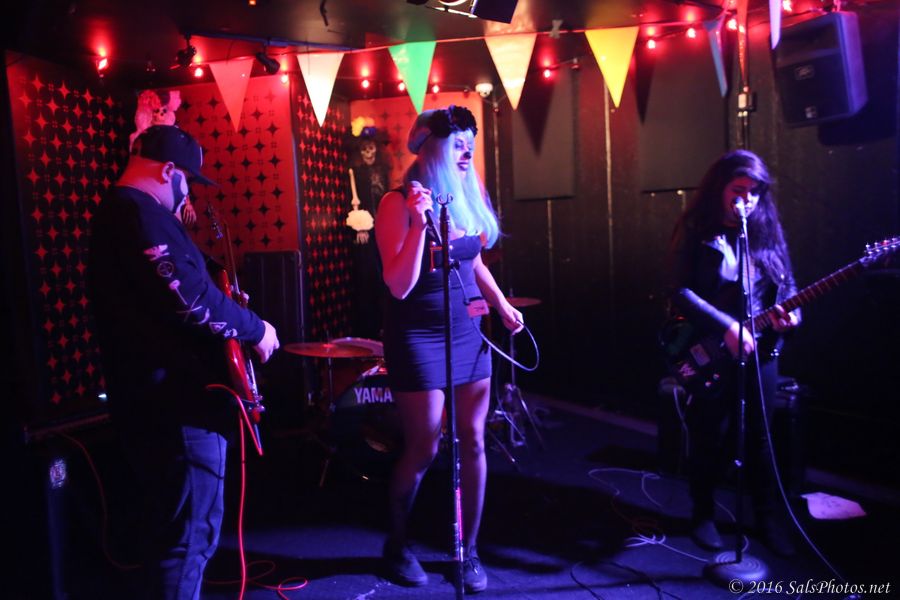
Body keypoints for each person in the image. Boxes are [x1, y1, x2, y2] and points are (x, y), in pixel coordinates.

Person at [87, 124, 279, 599]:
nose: (188, 192)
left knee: (179, 530)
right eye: (187, 181)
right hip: (177, 407)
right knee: (190, 537)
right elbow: (188, 299)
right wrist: (255, 329)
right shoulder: (139, 213)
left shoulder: (126, 214)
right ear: (168, 171)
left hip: (159, 402)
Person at [375, 105, 523, 593]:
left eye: (470, 146)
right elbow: (399, 285)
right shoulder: (397, 203)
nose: (466, 154)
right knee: (425, 445)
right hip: (417, 334)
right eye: (458, 145)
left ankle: (467, 550)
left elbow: (473, 260)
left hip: (466, 330)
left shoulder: (464, 194)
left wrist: (501, 304)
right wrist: (419, 226)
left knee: (475, 440)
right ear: (431, 148)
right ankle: (397, 546)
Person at [666, 149, 800, 557]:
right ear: (720, 188)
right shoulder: (695, 228)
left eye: (755, 192)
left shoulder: (765, 230)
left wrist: (794, 315)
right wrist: (726, 326)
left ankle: (767, 518)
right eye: (739, 190)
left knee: (761, 436)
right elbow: (678, 291)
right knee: (709, 432)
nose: (747, 200)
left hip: (762, 349)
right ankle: (703, 513)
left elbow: (788, 285)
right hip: (711, 346)